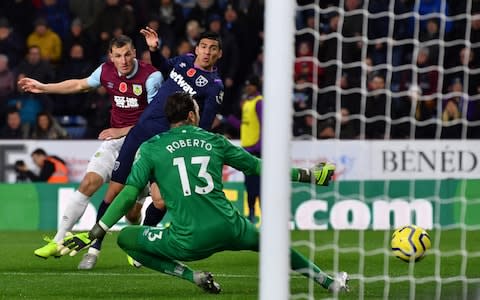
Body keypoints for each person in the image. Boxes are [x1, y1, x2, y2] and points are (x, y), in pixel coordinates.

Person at [59, 92, 348, 294]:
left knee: (126, 239)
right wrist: (309, 175)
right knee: (275, 245)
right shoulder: (214, 140)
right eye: (197, 109)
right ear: (191, 115)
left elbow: (124, 196)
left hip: (187, 240)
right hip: (232, 228)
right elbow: (260, 167)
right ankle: (328, 282)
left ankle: (192, 276)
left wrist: (96, 231)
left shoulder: (150, 148)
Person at [79, 28, 224, 270]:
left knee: (160, 201)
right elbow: (164, 67)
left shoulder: (214, 87)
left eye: (213, 48)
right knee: (113, 192)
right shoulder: (185, 60)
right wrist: (154, 49)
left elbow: (204, 126)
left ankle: (142, 246)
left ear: (219, 54)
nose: (207, 52)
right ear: (196, 48)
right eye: (203, 47)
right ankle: (94, 250)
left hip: (166, 144)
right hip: (141, 132)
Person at [17, 35, 163, 268]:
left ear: (135, 52)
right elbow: (78, 84)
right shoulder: (105, 71)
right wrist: (44, 88)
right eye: (118, 56)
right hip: (114, 142)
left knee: (133, 213)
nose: (123, 60)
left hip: (143, 144)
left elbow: (157, 119)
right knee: (88, 183)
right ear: (110, 57)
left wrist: (122, 129)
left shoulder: (152, 77)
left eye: (127, 54)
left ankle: (136, 246)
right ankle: (58, 240)